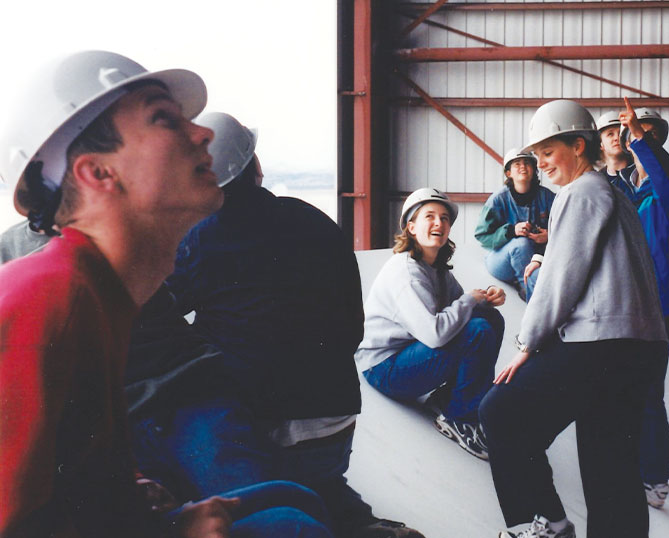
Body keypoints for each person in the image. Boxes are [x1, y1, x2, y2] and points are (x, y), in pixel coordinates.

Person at [0, 50, 330, 538]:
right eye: (164, 119)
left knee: (293, 509)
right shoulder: (49, 303)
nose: (203, 134)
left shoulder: (99, 293)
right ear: (98, 174)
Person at [132, 111, 421, 538]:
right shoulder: (316, 220)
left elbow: (159, 311)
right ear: (257, 167)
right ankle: (358, 523)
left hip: (253, 419)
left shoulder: (197, 237)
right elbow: (351, 325)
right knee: (313, 481)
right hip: (334, 417)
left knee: (198, 476)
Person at [478, 100, 668, 538]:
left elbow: (561, 283)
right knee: (611, 469)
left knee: (501, 411)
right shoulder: (611, 194)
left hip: (602, 344)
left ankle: (543, 524)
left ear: (578, 146)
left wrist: (527, 346)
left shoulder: (579, 193)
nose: (539, 164)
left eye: (547, 152)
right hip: (638, 347)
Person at [357, 188, 506, 460]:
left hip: (409, 352)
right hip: (384, 368)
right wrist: (470, 301)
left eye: (445, 218)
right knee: (478, 331)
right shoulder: (406, 272)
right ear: (411, 227)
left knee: (489, 319)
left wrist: (485, 298)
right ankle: (460, 418)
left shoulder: (433, 268)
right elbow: (436, 334)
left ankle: (448, 400)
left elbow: (461, 304)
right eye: (430, 216)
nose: (439, 223)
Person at [615, 98, 669, 509]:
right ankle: (665, 454)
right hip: (629, 303)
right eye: (635, 132)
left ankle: (654, 478)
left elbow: (662, 177)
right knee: (645, 388)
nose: (639, 136)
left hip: (659, 305)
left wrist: (641, 138)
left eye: (648, 133)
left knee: (645, 389)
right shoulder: (628, 187)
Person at [475, 148, 555, 301]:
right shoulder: (498, 200)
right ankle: (528, 291)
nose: (523, 167)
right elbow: (482, 236)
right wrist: (511, 231)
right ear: (508, 173)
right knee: (521, 243)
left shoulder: (548, 196)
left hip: (536, 259)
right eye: (517, 164)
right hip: (502, 262)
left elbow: (565, 229)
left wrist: (549, 235)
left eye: (527, 163)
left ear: (534, 169)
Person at [595, 110, 633, 181]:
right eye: (610, 134)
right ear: (600, 144)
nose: (616, 138)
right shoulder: (598, 180)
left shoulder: (638, 174)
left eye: (620, 133)